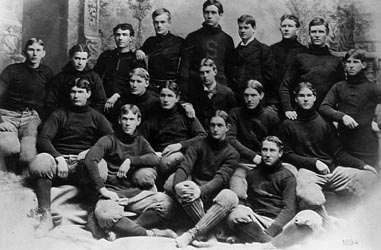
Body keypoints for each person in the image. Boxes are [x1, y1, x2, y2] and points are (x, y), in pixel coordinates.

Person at [280, 82, 378, 222]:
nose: (306, 99)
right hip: (308, 173)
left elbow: (338, 153)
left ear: (315, 98)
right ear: (295, 99)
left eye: (309, 95)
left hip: (333, 172)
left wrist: (362, 165)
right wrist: (314, 162)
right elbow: (286, 154)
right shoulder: (288, 124)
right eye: (301, 96)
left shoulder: (324, 122)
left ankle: (359, 221)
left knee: (371, 178)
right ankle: (330, 223)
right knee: (310, 199)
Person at [29, 78, 113, 237]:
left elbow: (110, 139)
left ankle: (91, 216)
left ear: (88, 94)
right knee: (41, 162)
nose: (76, 95)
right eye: (73, 91)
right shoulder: (59, 114)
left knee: (100, 166)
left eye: (80, 92)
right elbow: (43, 139)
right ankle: (46, 216)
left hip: (82, 167)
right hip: (59, 165)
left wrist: (90, 151)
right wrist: (58, 158)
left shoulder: (96, 117)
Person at [84, 104, 177, 240]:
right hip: (113, 195)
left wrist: (130, 161)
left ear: (138, 121)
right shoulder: (108, 140)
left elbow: (154, 158)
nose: (128, 123)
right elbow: (90, 159)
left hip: (136, 194)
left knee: (167, 204)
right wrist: (103, 190)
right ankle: (152, 233)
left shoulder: (140, 141)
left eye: (132, 119)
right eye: (125, 119)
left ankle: (125, 229)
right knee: (105, 215)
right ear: (119, 120)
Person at [227, 136, 322, 248]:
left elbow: (289, 209)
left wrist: (271, 231)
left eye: (272, 150)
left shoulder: (287, 176)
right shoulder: (252, 174)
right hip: (257, 222)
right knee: (235, 214)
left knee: (312, 218)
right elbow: (248, 203)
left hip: (282, 224)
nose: (267, 154)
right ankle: (277, 244)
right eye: (264, 150)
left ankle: (266, 244)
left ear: (280, 153)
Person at [164, 110, 239, 248]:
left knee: (229, 196)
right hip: (194, 198)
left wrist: (201, 190)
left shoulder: (232, 153)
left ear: (227, 128)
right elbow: (184, 167)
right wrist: (178, 187)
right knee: (183, 188)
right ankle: (212, 233)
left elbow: (221, 178)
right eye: (212, 125)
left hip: (215, 198)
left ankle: (192, 234)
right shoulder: (199, 144)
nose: (215, 129)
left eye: (220, 125)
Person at [0, 38, 54, 173]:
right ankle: (7, 180)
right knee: (9, 147)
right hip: (8, 115)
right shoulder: (12, 70)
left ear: (44, 53)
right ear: (25, 52)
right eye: (31, 49)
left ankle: (24, 184)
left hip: (31, 118)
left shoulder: (47, 73)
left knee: (28, 155)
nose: (34, 54)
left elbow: (51, 101)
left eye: (38, 50)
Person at [140, 81, 207, 189]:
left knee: (171, 162)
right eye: (163, 95)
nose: (166, 99)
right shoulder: (153, 116)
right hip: (158, 157)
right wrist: (151, 152)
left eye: (170, 96)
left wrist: (179, 145)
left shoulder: (185, 114)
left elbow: (202, 136)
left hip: (180, 158)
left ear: (177, 98)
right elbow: (140, 139)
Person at [320, 49, 381, 168]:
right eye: (348, 62)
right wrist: (342, 116)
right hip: (344, 146)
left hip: (366, 147)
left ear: (363, 65)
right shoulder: (339, 86)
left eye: (355, 62)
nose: (351, 65)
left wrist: (378, 125)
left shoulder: (372, 88)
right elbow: (324, 107)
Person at [279, 17, 345, 120]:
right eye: (314, 32)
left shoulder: (335, 61)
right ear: (309, 34)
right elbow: (285, 86)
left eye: (321, 31)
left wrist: (338, 116)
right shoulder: (300, 58)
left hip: (326, 115)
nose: (317, 35)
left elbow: (342, 92)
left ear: (327, 33)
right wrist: (288, 109)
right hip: (302, 115)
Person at [227, 80, 280, 199]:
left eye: (253, 95)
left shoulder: (271, 117)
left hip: (265, 164)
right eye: (246, 95)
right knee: (238, 193)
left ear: (261, 96)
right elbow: (230, 138)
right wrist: (252, 156)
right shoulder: (235, 113)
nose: (249, 99)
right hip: (242, 163)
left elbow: (277, 144)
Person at [178, 0, 234, 99]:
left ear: (220, 15)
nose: (209, 16)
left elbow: (230, 69)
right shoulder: (193, 37)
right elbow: (185, 67)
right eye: (206, 12)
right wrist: (184, 92)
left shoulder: (227, 39)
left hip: (220, 88)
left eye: (213, 12)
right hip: (196, 88)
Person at [93, 23, 146, 123]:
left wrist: (117, 95)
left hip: (126, 100)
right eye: (118, 35)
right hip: (103, 99)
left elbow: (138, 84)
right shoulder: (106, 56)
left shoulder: (136, 59)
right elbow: (95, 77)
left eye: (124, 35)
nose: (120, 38)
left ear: (131, 38)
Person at [45, 44, 106, 116]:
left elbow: (101, 101)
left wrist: (90, 116)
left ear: (87, 59)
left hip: (88, 117)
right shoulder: (60, 78)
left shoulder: (94, 77)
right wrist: (62, 117)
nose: (80, 63)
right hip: (65, 117)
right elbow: (50, 102)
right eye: (77, 58)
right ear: (71, 58)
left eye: (83, 59)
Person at [231, 15, 277, 109]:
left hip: (258, 101)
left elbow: (270, 78)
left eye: (246, 28)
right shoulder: (235, 52)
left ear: (254, 29)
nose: (243, 31)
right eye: (240, 28)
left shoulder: (263, 50)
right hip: (239, 100)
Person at [135, 8, 184, 96]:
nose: (159, 25)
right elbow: (141, 53)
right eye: (156, 22)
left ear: (169, 23)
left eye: (162, 22)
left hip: (171, 87)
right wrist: (138, 51)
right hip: (152, 87)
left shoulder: (179, 42)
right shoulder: (150, 41)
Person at [270, 14, 306, 114]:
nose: (286, 29)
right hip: (275, 101)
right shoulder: (272, 50)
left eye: (290, 26)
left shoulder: (304, 51)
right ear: (280, 28)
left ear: (297, 29)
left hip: (296, 101)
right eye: (284, 26)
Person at [191, 58, 236, 129]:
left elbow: (233, 115)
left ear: (215, 72)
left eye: (208, 72)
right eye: (202, 73)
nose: (205, 76)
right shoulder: (195, 93)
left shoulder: (227, 92)